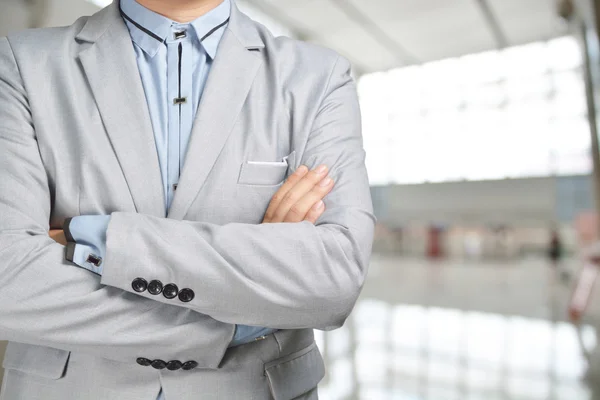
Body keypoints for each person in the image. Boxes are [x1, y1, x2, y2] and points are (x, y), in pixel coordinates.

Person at [0, 0, 375, 398]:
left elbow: (334, 279)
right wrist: (237, 318)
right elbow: (9, 280)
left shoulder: (317, 75)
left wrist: (104, 239)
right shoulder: (24, 63)